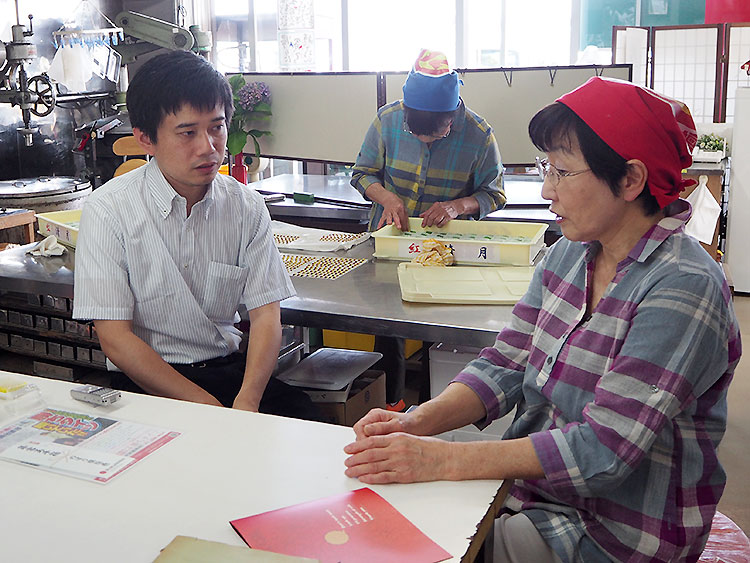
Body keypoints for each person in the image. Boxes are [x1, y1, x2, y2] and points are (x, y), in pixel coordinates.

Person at [343, 76, 741, 562]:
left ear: (631, 180)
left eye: (562, 172)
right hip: (535, 496)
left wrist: (443, 457)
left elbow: (605, 449)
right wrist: (419, 423)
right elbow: (505, 364)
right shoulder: (569, 256)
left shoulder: (683, 286)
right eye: (544, 169)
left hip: (615, 530)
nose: (547, 189)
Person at [73, 50, 317, 420]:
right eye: (187, 132)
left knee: (305, 425)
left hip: (227, 372)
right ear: (146, 139)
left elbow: (267, 317)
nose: (208, 147)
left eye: (216, 127)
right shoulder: (108, 210)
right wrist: (206, 409)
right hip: (147, 384)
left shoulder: (246, 208)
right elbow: (116, 340)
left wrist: (247, 403)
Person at [351, 49, 506, 410]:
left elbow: (495, 193)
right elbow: (361, 174)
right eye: (418, 136)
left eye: (436, 137)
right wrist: (388, 198)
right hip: (391, 245)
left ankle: (440, 411)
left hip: (447, 253)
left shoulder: (480, 135)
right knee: (387, 328)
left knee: (440, 330)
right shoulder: (387, 121)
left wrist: (457, 206)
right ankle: (391, 406)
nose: (427, 144)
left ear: (452, 118)